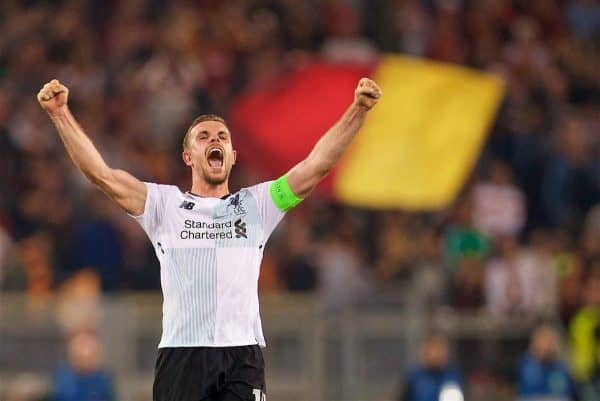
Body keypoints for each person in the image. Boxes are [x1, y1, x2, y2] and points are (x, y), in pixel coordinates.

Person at [37, 77, 382, 401]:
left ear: (232, 157)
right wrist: (60, 114)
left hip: (241, 356)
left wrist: (358, 111)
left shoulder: (258, 205)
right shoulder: (164, 205)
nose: (214, 140)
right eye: (203, 136)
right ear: (188, 157)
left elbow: (316, 166)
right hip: (182, 355)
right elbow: (101, 175)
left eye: (222, 136)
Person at [516, 325, 577, 401]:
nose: (546, 346)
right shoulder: (525, 365)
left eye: (549, 342)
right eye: (542, 341)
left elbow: (567, 392)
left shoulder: (562, 367)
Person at [53, 330, 116, 401]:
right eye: (81, 357)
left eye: (89, 358)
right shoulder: (62, 380)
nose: (85, 360)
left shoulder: (104, 381)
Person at [398, 334, 463, 401]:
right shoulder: (414, 377)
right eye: (434, 348)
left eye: (441, 348)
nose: (437, 353)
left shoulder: (453, 377)